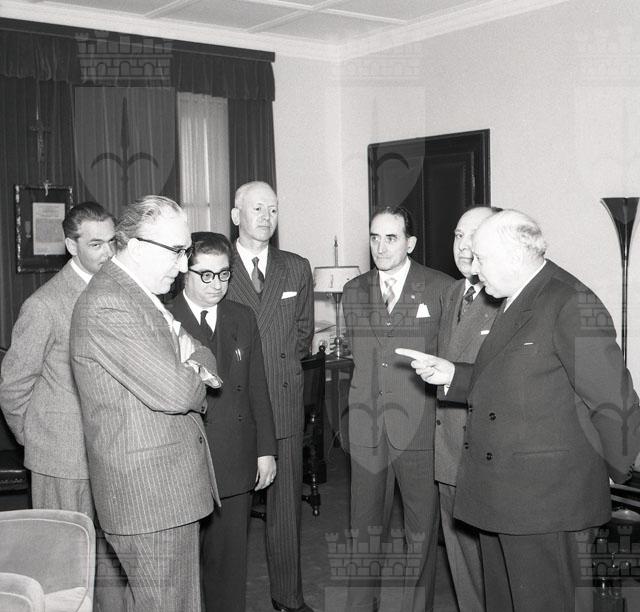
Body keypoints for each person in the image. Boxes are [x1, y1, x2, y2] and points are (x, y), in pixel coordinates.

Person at [400, 209, 640, 612]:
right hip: (504, 496)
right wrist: (454, 375)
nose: (474, 269)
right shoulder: (514, 297)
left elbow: (615, 401)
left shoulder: (570, 302)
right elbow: (514, 377)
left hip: (549, 503)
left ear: (513, 256)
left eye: (481, 258)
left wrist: (613, 473)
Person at [70, 195, 221, 612]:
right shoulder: (110, 303)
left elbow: (201, 351)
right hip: (150, 499)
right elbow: (177, 392)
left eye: (187, 251)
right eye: (177, 251)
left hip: (164, 494)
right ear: (136, 246)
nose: (185, 266)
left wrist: (189, 363)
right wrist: (190, 369)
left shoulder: (138, 295)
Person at [342, 205, 453, 612]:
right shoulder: (353, 290)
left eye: (391, 238)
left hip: (419, 426)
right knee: (363, 528)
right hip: (367, 427)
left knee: (420, 531)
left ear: (410, 243)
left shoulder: (440, 288)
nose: (380, 246)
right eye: (374, 237)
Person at [168, 231, 277, 612]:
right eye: (206, 275)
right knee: (181, 571)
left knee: (230, 566)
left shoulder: (242, 317)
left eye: (224, 274)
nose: (217, 284)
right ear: (184, 272)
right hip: (183, 463)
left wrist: (265, 450)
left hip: (234, 455)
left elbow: (257, 386)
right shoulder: (164, 317)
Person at [225, 181, 314, 612]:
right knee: (229, 514)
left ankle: (288, 597)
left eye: (273, 209)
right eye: (257, 208)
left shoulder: (296, 267)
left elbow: (302, 335)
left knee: (286, 512)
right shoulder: (215, 266)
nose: (266, 217)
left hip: (283, 401)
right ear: (236, 215)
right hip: (232, 407)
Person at [0, 201, 115, 516]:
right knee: (64, 542)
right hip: (62, 456)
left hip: (111, 450)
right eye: (96, 244)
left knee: (104, 545)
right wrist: (37, 438)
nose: (109, 252)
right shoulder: (44, 305)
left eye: (112, 241)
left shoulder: (117, 291)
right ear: (71, 246)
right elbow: (13, 384)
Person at [435, 206, 501, 612]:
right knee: (461, 563)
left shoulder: (503, 298)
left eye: (473, 236)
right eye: (458, 235)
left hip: (483, 453)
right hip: (446, 450)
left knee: (489, 567)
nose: (463, 246)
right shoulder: (452, 293)